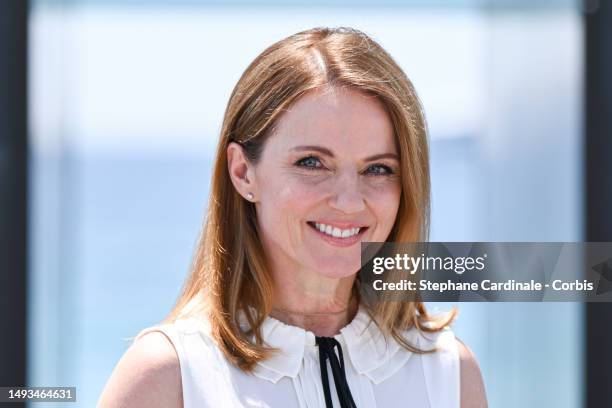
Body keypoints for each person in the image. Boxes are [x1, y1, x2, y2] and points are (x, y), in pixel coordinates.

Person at [98, 27, 487, 408]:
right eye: (312, 162)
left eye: (379, 169)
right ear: (242, 172)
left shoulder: (450, 374)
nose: (350, 202)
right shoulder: (169, 375)